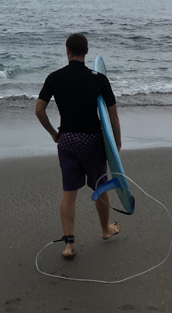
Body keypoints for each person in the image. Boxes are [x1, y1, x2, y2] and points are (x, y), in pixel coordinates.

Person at [35, 33, 122, 259]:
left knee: (69, 193)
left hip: (67, 140)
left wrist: (54, 133)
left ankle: (69, 245)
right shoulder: (98, 79)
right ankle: (105, 230)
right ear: (86, 51)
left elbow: (39, 110)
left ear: (67, 50)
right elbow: (112, 114)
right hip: (92, 140)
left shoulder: (54, 77)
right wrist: (116, 143)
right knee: (100, 187)